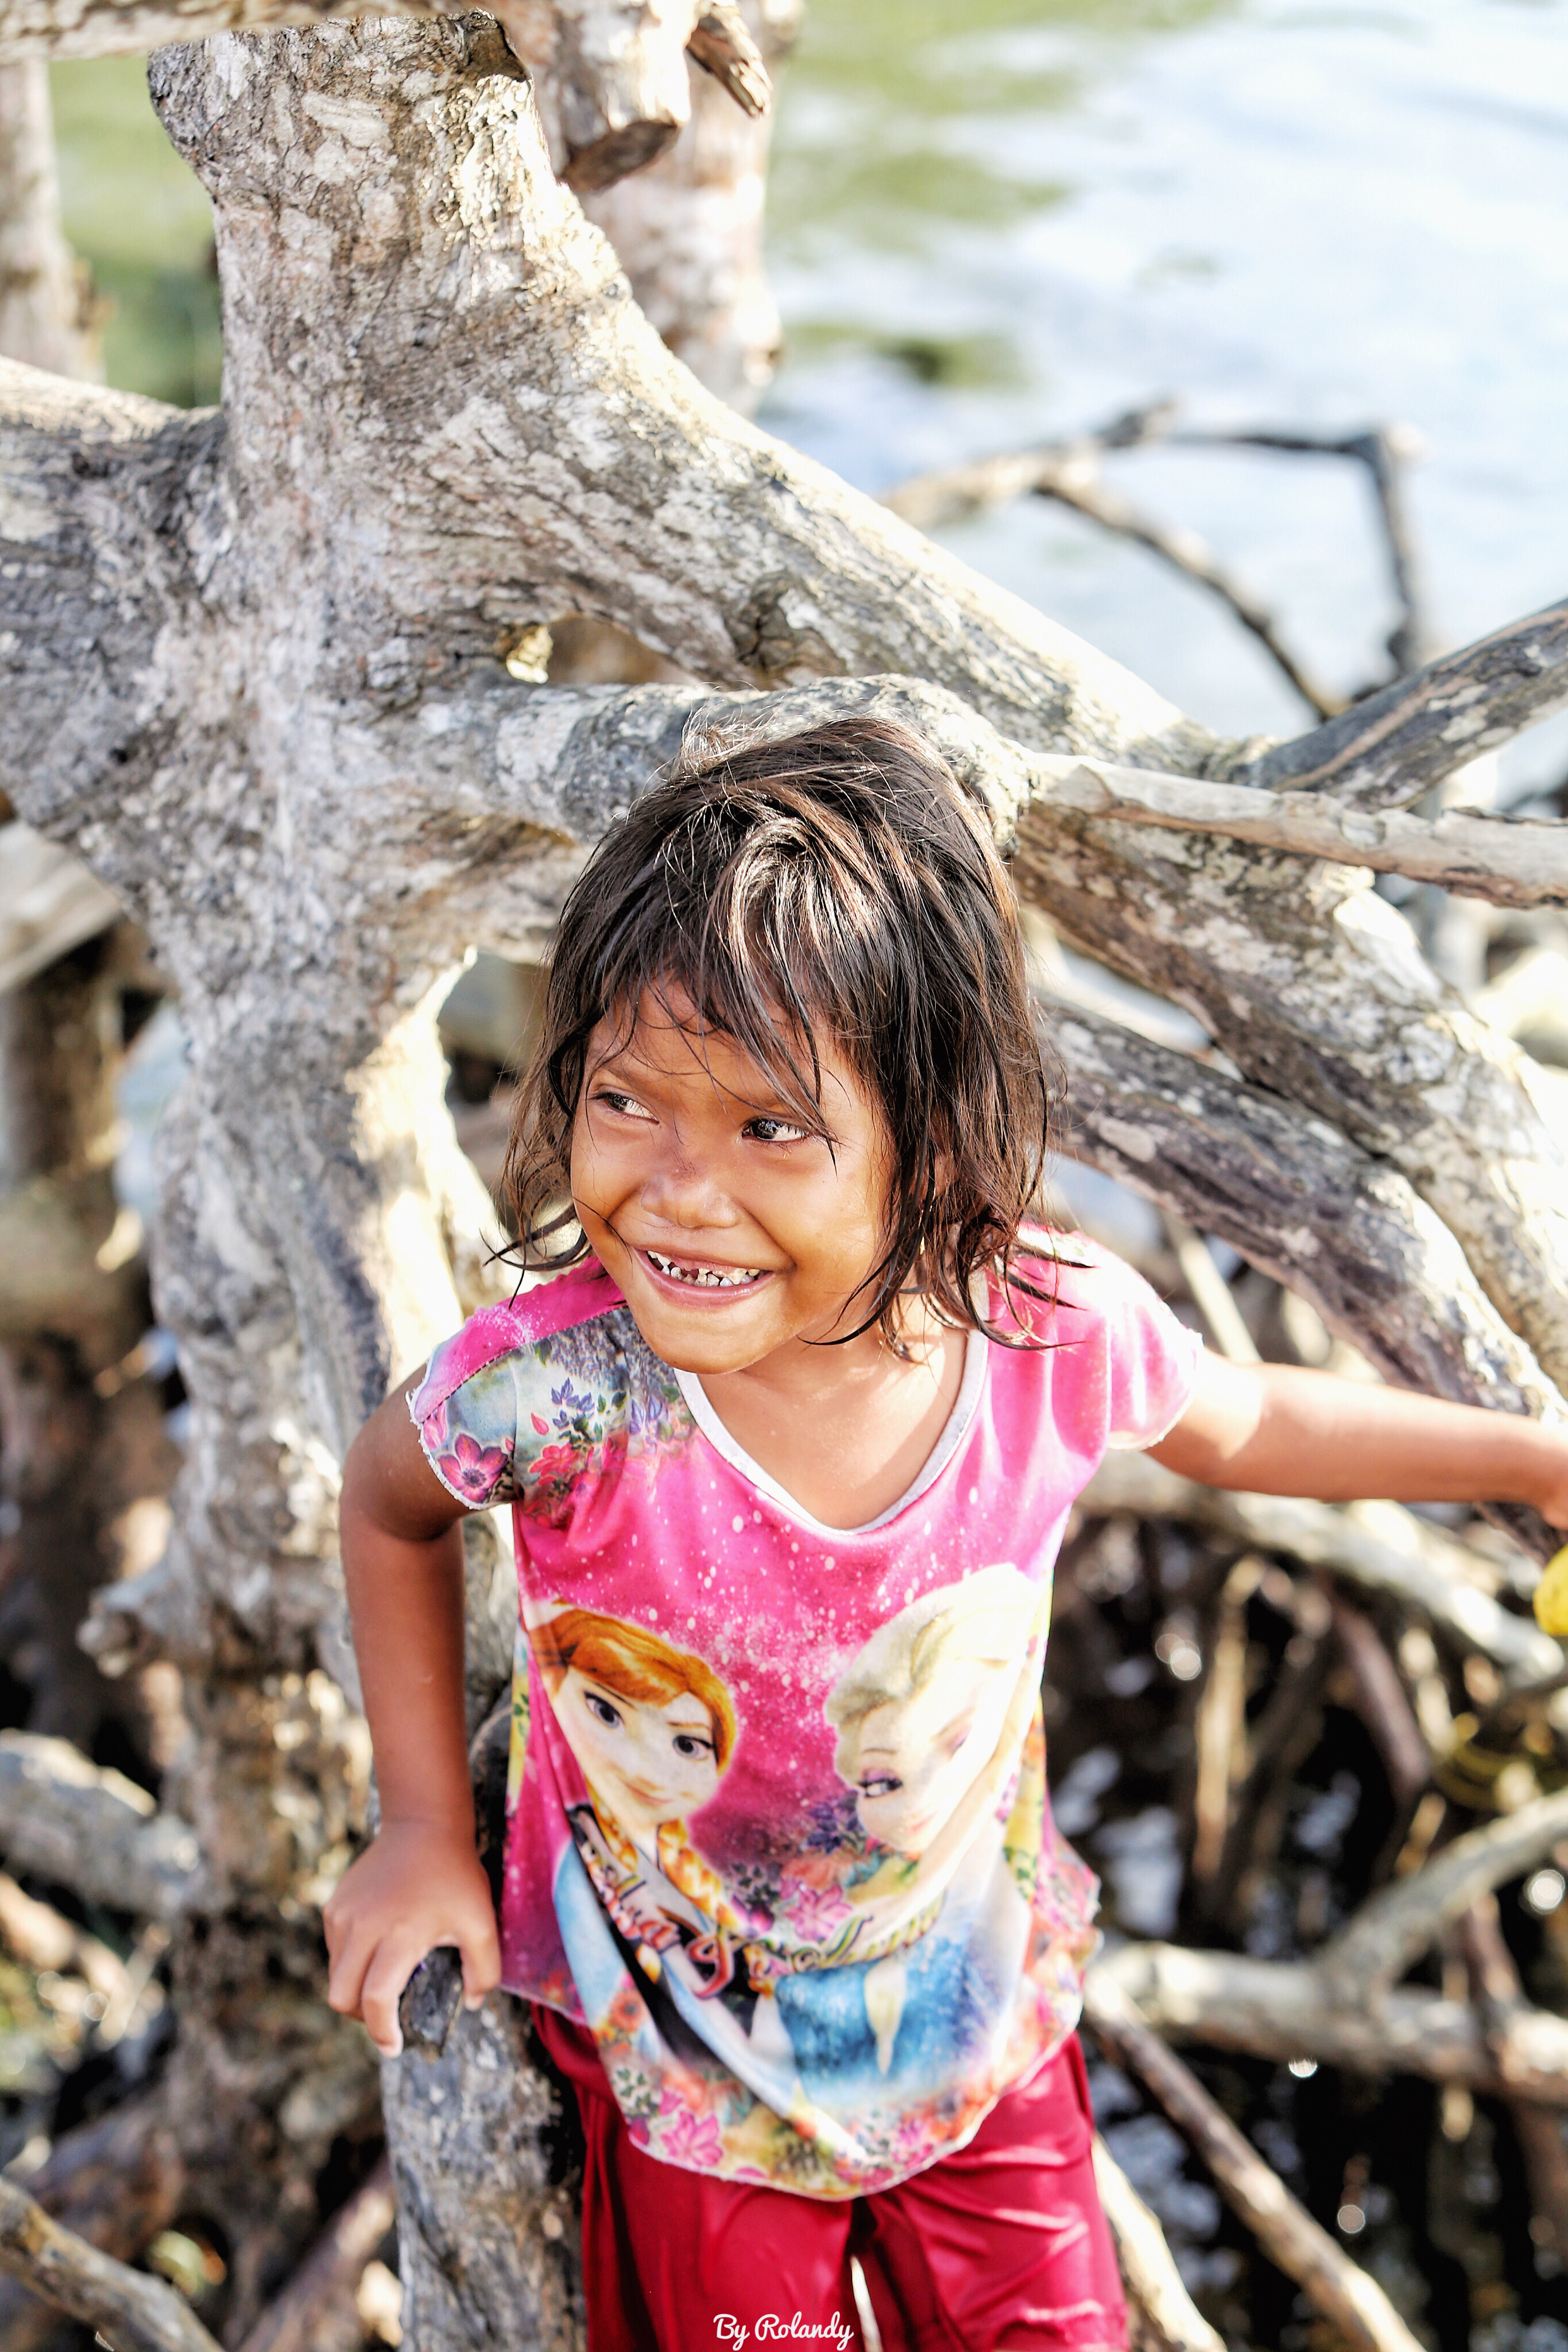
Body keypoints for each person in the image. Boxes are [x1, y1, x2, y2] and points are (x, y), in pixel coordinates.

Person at [324, 715, 1568, 2352]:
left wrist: (1534, 1463)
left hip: (976, 2024)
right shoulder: (555, 1390)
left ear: (936, 1141)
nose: (679, 1191)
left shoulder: (1040, 1331)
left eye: (772, 1127)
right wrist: (423, 1823)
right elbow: (387, 1507)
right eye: (625, 1101)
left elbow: (1249, 1423)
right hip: (688, 2053)